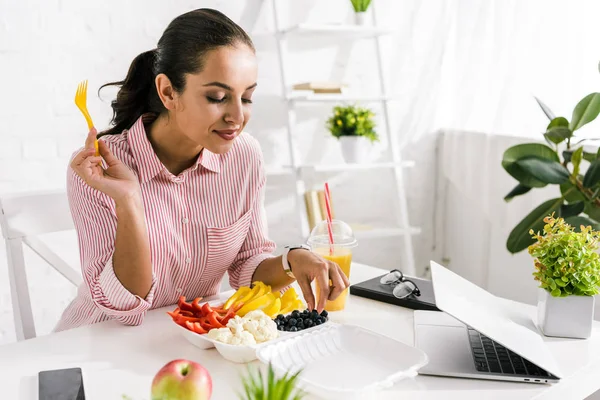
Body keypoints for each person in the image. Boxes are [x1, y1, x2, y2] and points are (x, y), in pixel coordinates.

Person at [54, 8, 350, 331]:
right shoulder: (97, 170)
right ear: (168, 92)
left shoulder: (244, 157)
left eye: (247, 97)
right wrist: (129, 201)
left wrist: (291, 261)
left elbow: (246, 267)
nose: (237, 117)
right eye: (218, 97)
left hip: (191, 342)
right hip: (97, 344)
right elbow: (125, 307)